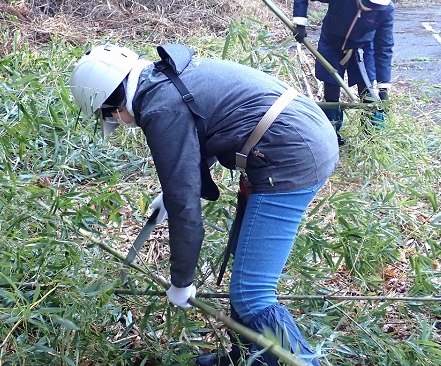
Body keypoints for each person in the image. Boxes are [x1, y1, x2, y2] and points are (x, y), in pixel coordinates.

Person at [69, 43, 340, 365]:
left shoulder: (159, 107)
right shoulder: (165, 78)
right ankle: (247, 358)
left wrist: (181, 281)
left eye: (114, 116)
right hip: (299, 133)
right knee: (244, 273)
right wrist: (171, 195)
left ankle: (303, 361)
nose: (121, 121)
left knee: (252, 292)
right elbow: (207, 125)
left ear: (114, 102)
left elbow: (186, 210)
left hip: (292, 153)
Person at [292, 0, 396, 145]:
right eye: (368, 3)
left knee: (369, 94)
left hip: (362, 49)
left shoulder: (386, 10)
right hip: (332, 44)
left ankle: (371, 138)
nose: (370, 8)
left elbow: (384, 47)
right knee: (331, 90)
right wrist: (300, 23)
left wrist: (384, 85)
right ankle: (331, 134)